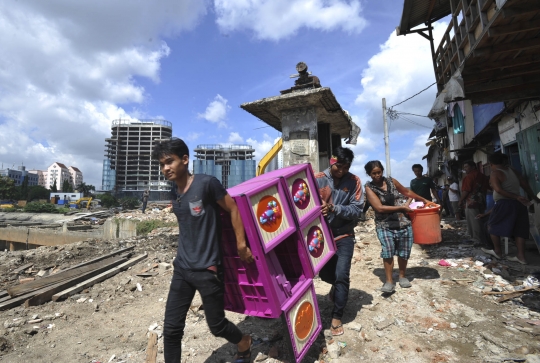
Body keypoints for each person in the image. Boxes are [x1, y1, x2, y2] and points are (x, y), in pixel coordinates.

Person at [151, 138, 254, 363]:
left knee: (217, 326)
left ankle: (243, 341)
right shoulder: (174, 193)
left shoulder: (207, 184)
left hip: (208, 269)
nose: (165, 168)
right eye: (161, 164)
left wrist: (241, 244)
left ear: (185, 160)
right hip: (182, 268)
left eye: (169, 161)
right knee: (171, 329)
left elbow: (233, 209)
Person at [364, 160, 437, 293]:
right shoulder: (369, 188)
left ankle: (402, 276)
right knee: (388, 252)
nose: (377, 175)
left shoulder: (392, 181)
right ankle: (389, 281)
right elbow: (379, 208)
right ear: (369, 174)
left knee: (404, 251)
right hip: (384, 224)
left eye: (379, 172)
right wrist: (402, 207)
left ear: (382, 171)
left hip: (403, 222)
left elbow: (407, 192)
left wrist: (424, 200)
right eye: (373, 173)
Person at [315, 146, 363, 337]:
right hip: (320, 237)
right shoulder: (316, 179)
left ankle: (337, 316)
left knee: (342, 275)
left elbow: (357, 210)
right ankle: (336, 287)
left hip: (344, 235)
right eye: (339, 167)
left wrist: (334, 208)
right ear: (332, 162)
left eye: (346, 167)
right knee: (326, 275)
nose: (342, 171)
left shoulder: (354, 181)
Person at [481, 153, 540, 264]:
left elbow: (498, 190)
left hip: (504, 203)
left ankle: (498, 251)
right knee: (519, 230)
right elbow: (525, 185)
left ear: (491, 164)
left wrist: (516, 196)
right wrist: (534, 198)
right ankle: (521, 257)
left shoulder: (495, 173)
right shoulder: (513, 171)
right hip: (519, 204)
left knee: (492, 225)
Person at [458, 161, 490, 244]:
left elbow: (466, 191)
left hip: (471, 202)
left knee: (474, 221)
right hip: (482, 201)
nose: (465, 169)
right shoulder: (482, 176)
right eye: (464, 167)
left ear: (472, 167)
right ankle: (481, 238)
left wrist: (461, 200)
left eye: (466, 167)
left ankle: (476, 239)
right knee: (480, 219)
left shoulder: (469, 177)